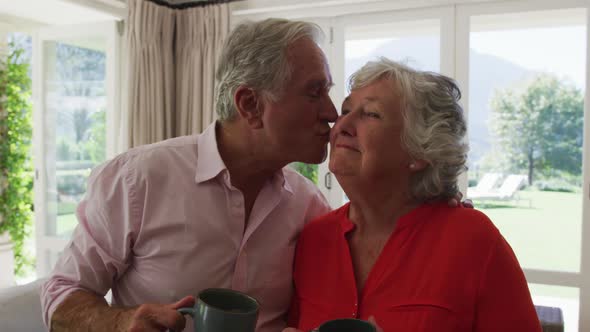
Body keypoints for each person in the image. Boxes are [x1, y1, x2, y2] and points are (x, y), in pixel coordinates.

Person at [41, 18, 337, 332]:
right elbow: (61, 296)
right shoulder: (137, 180)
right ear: (250, 105)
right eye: (314, 93)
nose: (332, 113)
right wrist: (119, 322)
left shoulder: (309, 205)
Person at [284, 58, 542, 332]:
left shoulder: (473, 240)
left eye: (371, 114)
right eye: (346, 110)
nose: (342, 124)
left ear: (419, 151)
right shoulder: (313, 239)